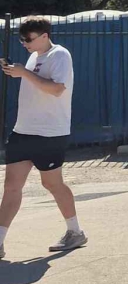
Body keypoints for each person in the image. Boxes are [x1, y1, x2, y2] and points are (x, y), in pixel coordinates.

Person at [0, 17, 86, 259]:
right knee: (11, 187)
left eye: (28, 39)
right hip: (23, 130)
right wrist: (19, 72)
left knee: (52, 184)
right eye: (22, 39)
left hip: (49, 133)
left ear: (45, 36)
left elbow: (57, 89)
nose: (24, 43)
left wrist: (24, 74)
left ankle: (75, 231)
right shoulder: (33, 57)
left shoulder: (60, 55)